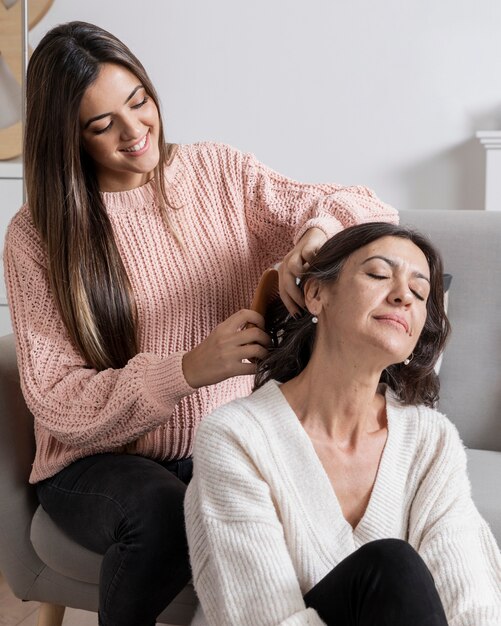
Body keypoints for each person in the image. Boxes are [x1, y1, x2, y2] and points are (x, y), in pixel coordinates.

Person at [2, 20, 399, 626]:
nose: (136, 132)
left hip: (218, 443)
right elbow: (57, 403)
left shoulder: (217, 174)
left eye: (139, 102)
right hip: (97, 462)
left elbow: (368, 208)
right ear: (69, 139)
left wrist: (314, 237)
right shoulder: (37, 237)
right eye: (103, 125)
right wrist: (187, 370)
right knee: (163, 514)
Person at [185, 222, 501, 626]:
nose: (403, 295)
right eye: (378, 274)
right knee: (392, 565)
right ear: (316, 293)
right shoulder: (236, 437)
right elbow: (259, 615)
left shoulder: (430, 441)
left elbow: (470, 601)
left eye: (420, 292)